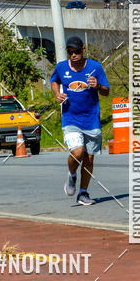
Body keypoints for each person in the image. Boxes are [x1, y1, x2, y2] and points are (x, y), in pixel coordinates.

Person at [50, 35, 109, 206]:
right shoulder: (61, 67)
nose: (73, 55)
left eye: (76, 51)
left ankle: (83, 193)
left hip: (91, 120)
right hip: (70, 118)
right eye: (70, 52)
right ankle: (72, 175)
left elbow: (106, 91)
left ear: (83, 49)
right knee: (77, 152)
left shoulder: (95, 67)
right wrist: (57, 94)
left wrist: (97, 86)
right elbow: (54, 81)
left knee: (89, 159)